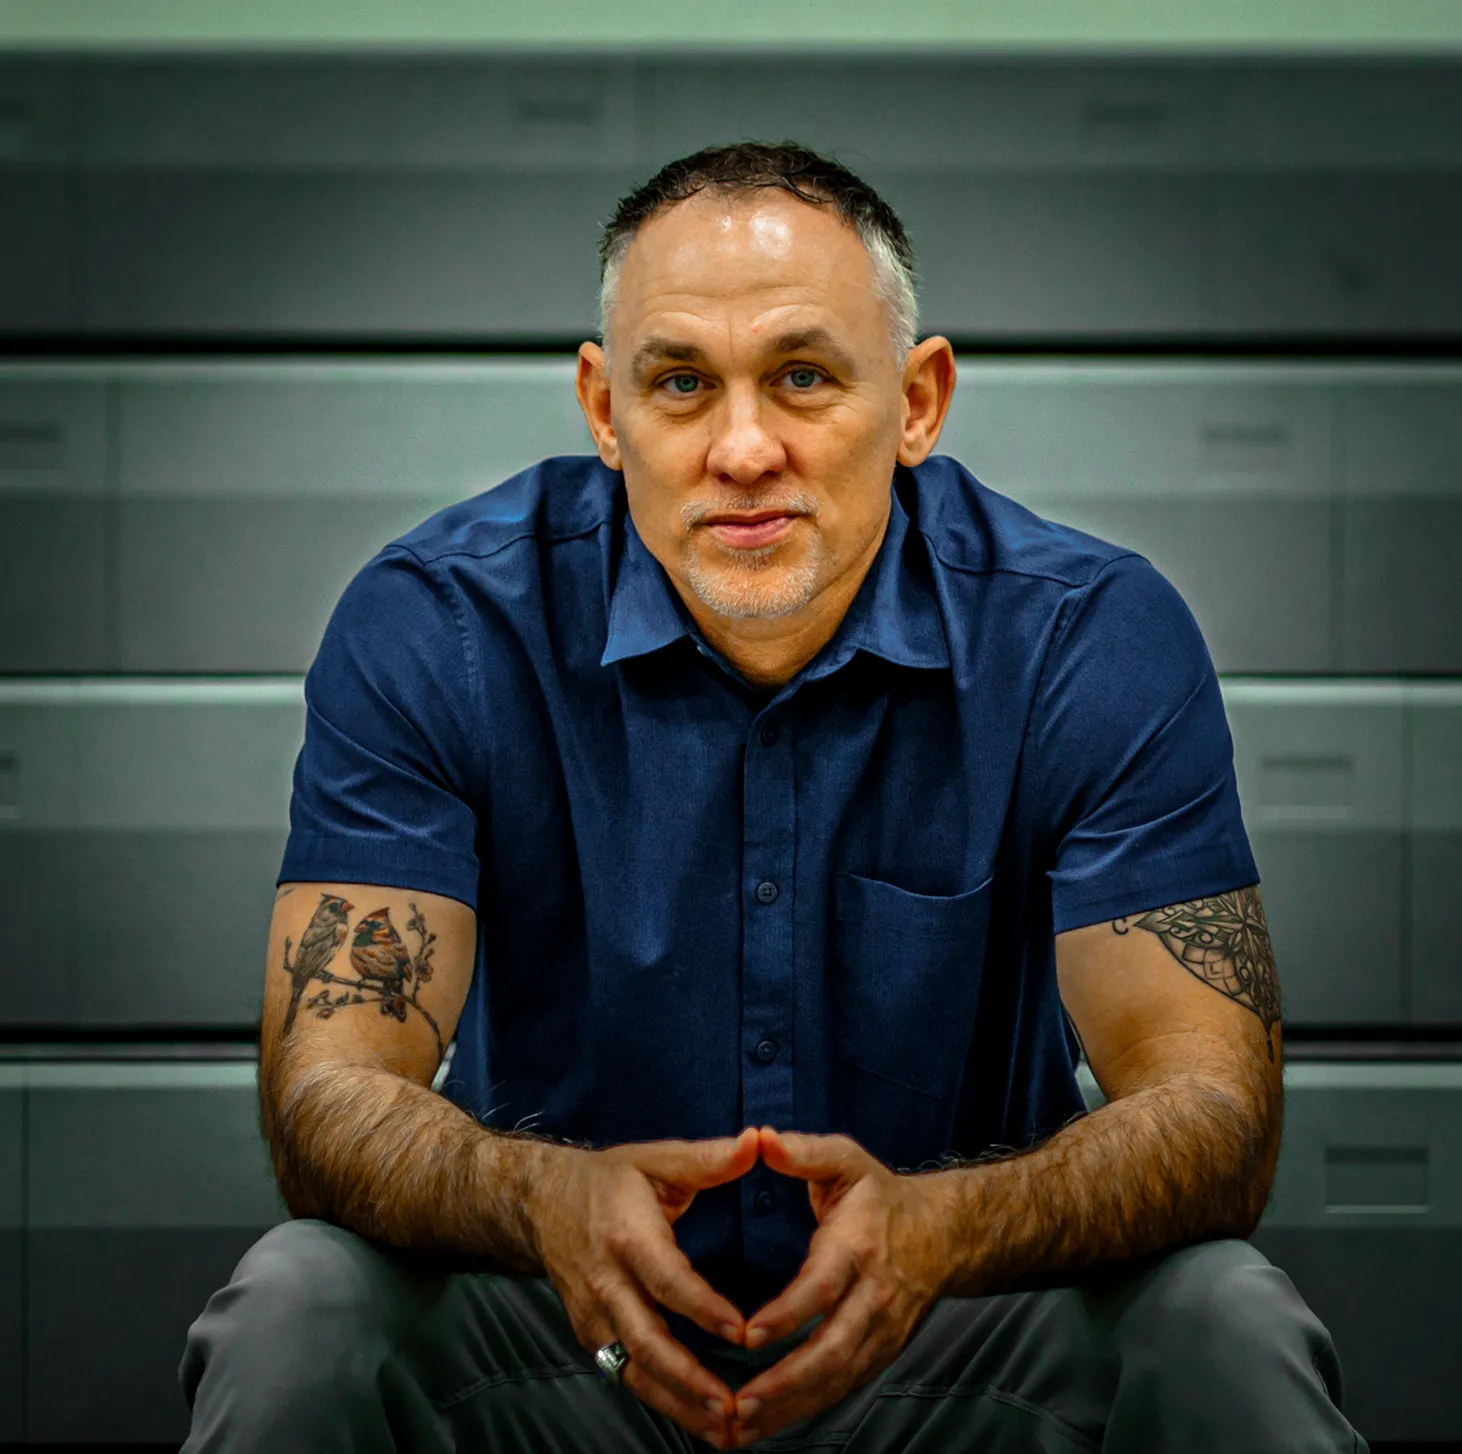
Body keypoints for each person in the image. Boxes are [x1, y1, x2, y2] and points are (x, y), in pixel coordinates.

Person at [178, 142, 1366, 1453]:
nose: (743, 447)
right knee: (297, 1302)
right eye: (680, 384)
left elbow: (1215, 1114)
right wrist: (542, 1200)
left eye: (802, 377)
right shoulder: (439, 627)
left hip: (955, 1335)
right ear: (602, 406)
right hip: (569, 1338)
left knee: (1223, 1318)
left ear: (917, 400)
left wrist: (944, 1227)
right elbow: (326, 1092)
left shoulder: (1086, 636)